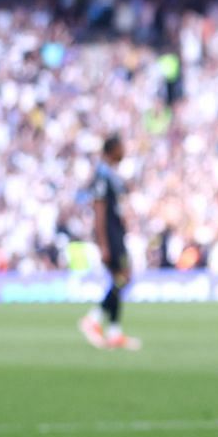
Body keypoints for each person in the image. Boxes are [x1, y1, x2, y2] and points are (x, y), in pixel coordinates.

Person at [78, 135, 140, 352]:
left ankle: (114, 332)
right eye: (122, 147)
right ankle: (93, 319)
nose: (124, 152)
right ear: (113, 149)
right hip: (111, 236)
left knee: (119, 279)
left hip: (116, 234)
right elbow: (99, 210)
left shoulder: (110, 174)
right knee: (124, 277)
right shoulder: (103, 175)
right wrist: (103, 244)